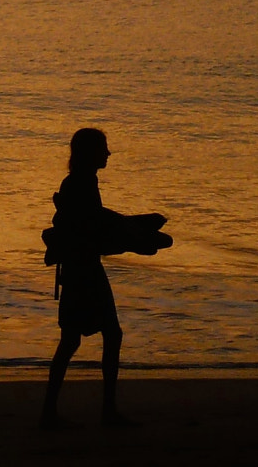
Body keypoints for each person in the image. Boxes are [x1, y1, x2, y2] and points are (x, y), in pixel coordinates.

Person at [40, 128, 160, 429]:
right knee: (102, 335)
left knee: (73, 340)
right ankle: (103, 411)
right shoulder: (80, 184)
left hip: (80, 268)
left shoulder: (81, 182)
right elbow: (91, 225)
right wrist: (130, 231)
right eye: (103, 148)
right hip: (84, 270)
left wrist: (128, 226)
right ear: (90, 153)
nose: (108, 154)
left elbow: (94, 220)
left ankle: (52, 411)